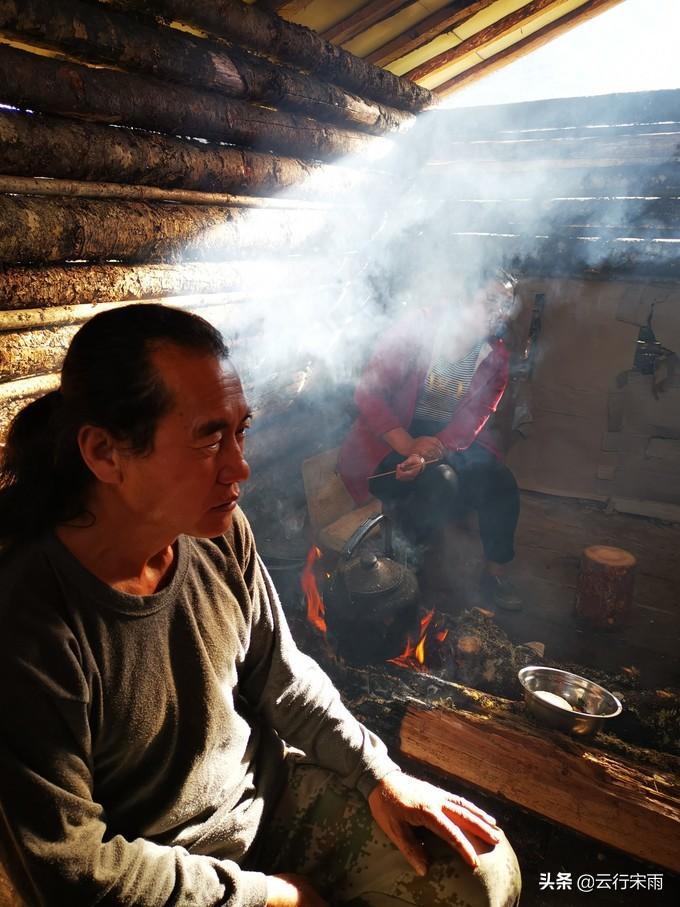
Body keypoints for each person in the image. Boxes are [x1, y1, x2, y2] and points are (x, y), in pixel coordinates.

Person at [0, 304, 521, 906]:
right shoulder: (30, 623)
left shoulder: (218, 532)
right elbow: (71, 869)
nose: (239, 466)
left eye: (240, 430)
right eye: (208, 438)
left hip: (265, 805)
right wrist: (269, 898)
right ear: (105, 453)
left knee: (483, 871)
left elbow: (283, 674)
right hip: (159, 876)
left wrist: (379, 774)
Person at [338, 271, 522, 611]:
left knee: (501, 483)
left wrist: (431, 448)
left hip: (445, 442)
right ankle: (408, 580)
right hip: (388, 439)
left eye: (507, 306)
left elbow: (474, 419)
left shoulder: (495, 357)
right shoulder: (418, 329)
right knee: (438, 483)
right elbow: (369, 394)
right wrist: (408, 446)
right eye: (490, 301)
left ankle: (495, 574)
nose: (499, 313)